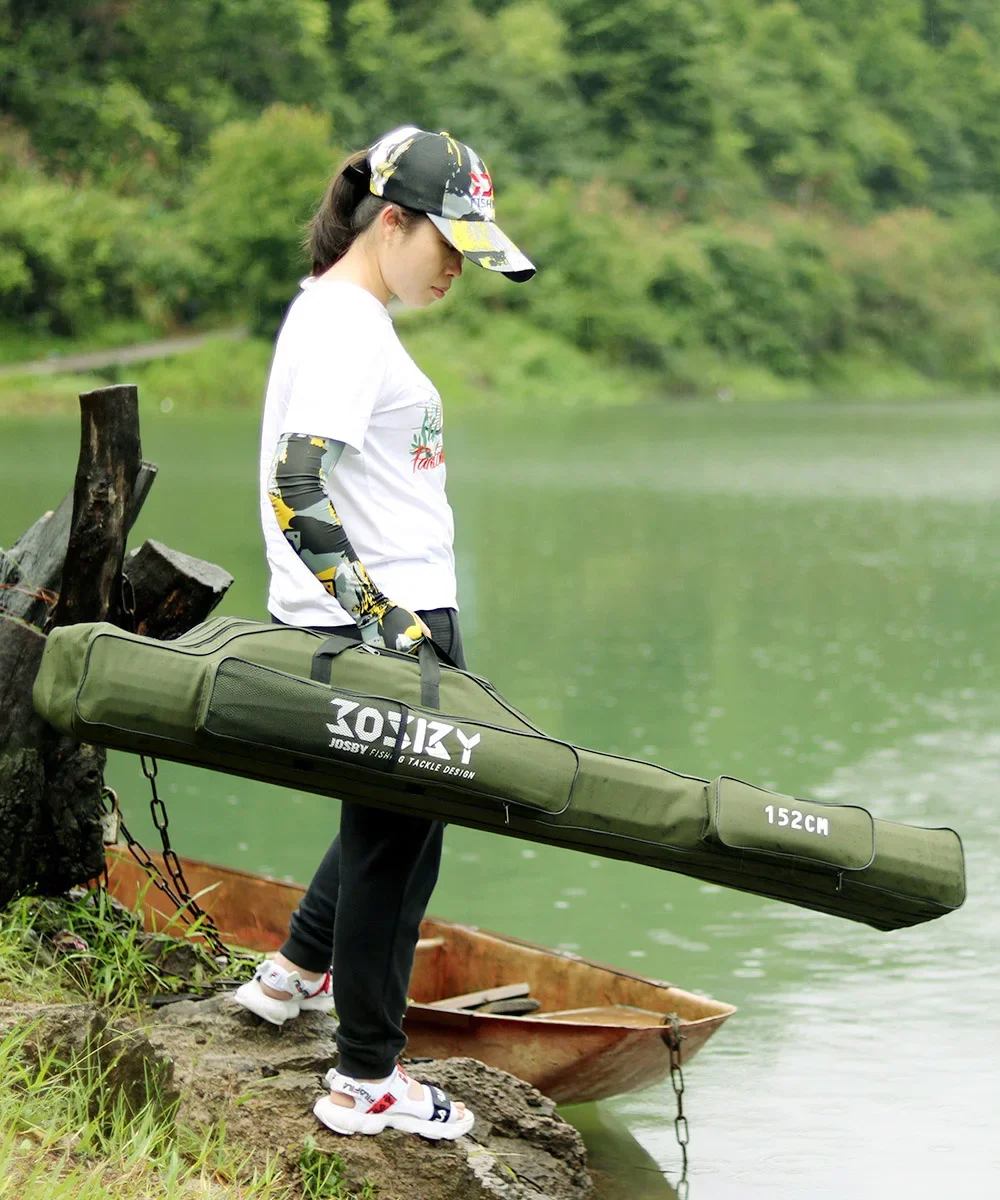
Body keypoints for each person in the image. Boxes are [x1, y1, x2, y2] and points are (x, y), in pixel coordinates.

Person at [234, 125, 535, 1140]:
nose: (457, 269)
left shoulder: (339, 312)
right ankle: (365, 1080)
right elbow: (295, 484)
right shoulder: (347, 327)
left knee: (392, 827)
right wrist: (387, 624)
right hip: (382, 623)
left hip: (387, 616)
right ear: (392, 219)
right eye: (447, 245)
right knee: (396, 851)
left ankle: (291, 976)